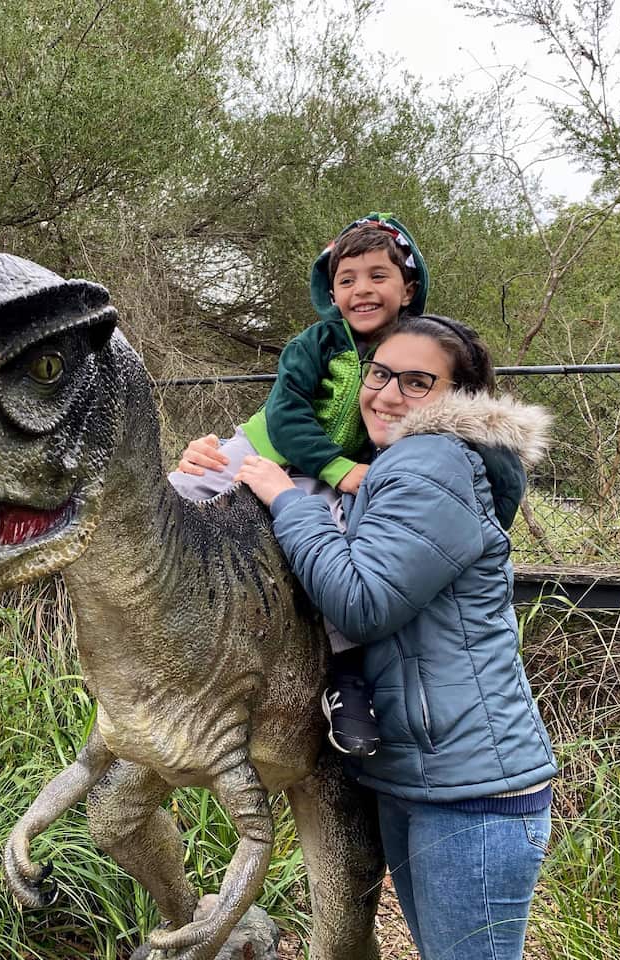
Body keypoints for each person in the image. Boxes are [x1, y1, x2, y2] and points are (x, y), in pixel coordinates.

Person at [229, 313, 557, 960]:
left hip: (473, 794)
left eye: (415, 382)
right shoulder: (382, 463)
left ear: (457, 398)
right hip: (420, 778)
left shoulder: (431, 463)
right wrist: (220, 467)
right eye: (379, 373)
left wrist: (282, 497)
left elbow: (362, 598)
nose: (385, 393)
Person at [171, 212, 431, 758]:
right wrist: (341, 470)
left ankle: (346, 679)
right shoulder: (314, 343)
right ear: (331, 291)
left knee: (338, 551)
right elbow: (287, 419)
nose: (361, 289)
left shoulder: (412, 354)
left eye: (377, 276)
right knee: (178, 491)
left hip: (331, 475)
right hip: (263, 449)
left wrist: (342, 475)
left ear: (407, 288)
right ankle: (167, 617)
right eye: (347, 279)